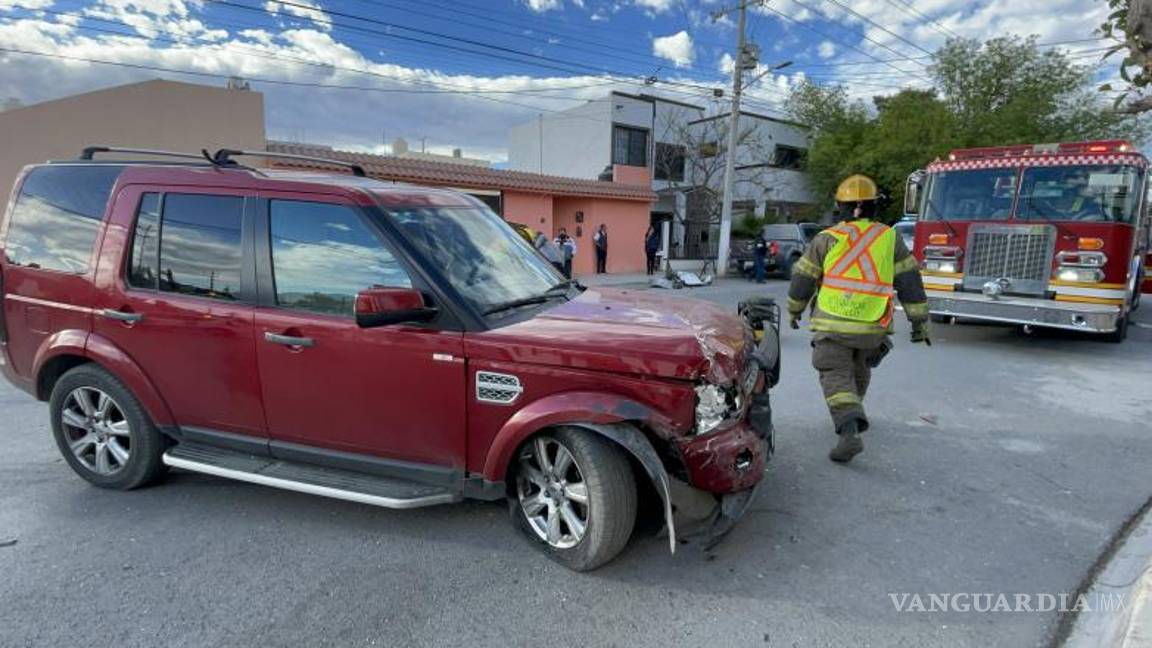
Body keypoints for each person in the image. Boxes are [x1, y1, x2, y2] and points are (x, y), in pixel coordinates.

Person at [786, 174, 931, 464]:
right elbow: (910, 281)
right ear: (872, 206)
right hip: (872, 325)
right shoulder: (890, 238)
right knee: (859, 367)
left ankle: (848, 428)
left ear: (844, 206)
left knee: (834, 371)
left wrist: (794, 310)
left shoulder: (826, 238)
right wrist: (919, 323)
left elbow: (803, 278)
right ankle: (854, 409)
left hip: (833, 323)